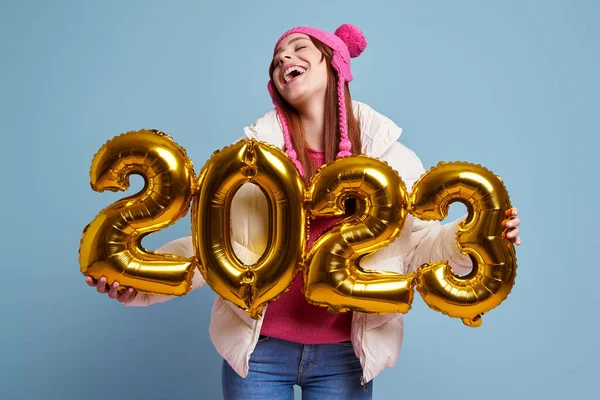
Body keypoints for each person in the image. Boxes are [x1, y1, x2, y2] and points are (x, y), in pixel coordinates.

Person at [85, 24, 522, 399]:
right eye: (276, 59)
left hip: (346, 354)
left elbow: (421, 246)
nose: (284, 60)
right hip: (259, 350)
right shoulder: (253, 159)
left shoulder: (394, 159)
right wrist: (139, 284)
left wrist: (480, 237)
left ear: (334, 64)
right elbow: (215, 247)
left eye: (297, 50)